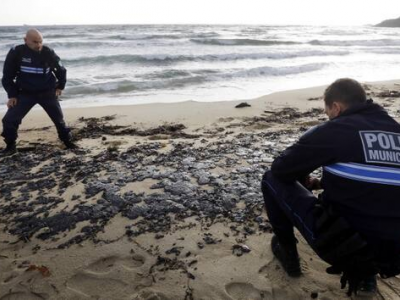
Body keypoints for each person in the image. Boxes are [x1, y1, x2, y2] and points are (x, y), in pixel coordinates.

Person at [261, 78, 400, 296]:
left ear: (336, 107)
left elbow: (281, 169)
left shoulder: (337, 129)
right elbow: (382, 181)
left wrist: (300, 174)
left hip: (347, 247)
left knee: (271, 178)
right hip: (395, 252)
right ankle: (367, 277)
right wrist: (325, 182)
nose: (328, 117)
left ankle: (288, 255)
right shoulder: (395, 129)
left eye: (327, 112)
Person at [1, 28, 77, 156]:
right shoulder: (17, 52)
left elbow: (61, 70)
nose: (38, 45)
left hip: (47, 93)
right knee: (9, 120)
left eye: (40, 42)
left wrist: (60, 86)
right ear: (25, 40)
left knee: (59, 120)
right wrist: (12, 95)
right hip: (25, 93)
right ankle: (10, 146)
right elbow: (7, 76)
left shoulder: (48, 52)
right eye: (35, 42)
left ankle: (67, 142)